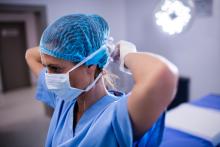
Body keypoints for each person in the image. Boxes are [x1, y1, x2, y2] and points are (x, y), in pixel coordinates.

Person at [25, 14, 178, 147]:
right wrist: (63, 49)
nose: (48, 75)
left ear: (90, 66)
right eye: (47, 67)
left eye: (56, 69)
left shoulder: (117, 116)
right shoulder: (63, 100)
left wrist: (126, 56)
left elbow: (162, 74)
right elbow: (30, 55)